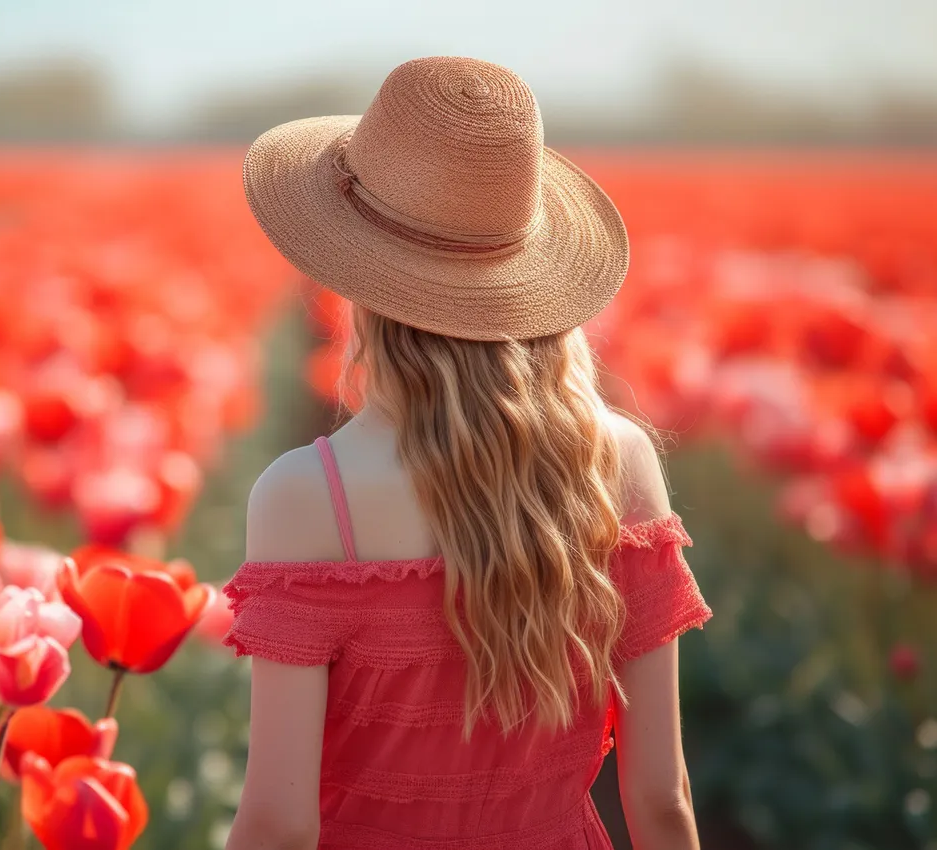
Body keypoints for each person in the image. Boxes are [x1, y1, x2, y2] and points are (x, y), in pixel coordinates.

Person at [222, 57, 710, 850]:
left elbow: (279, 825)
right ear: (528, 273)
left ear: (355, 276)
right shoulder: (618, 462)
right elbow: (661, 798)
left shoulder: (309, 495)